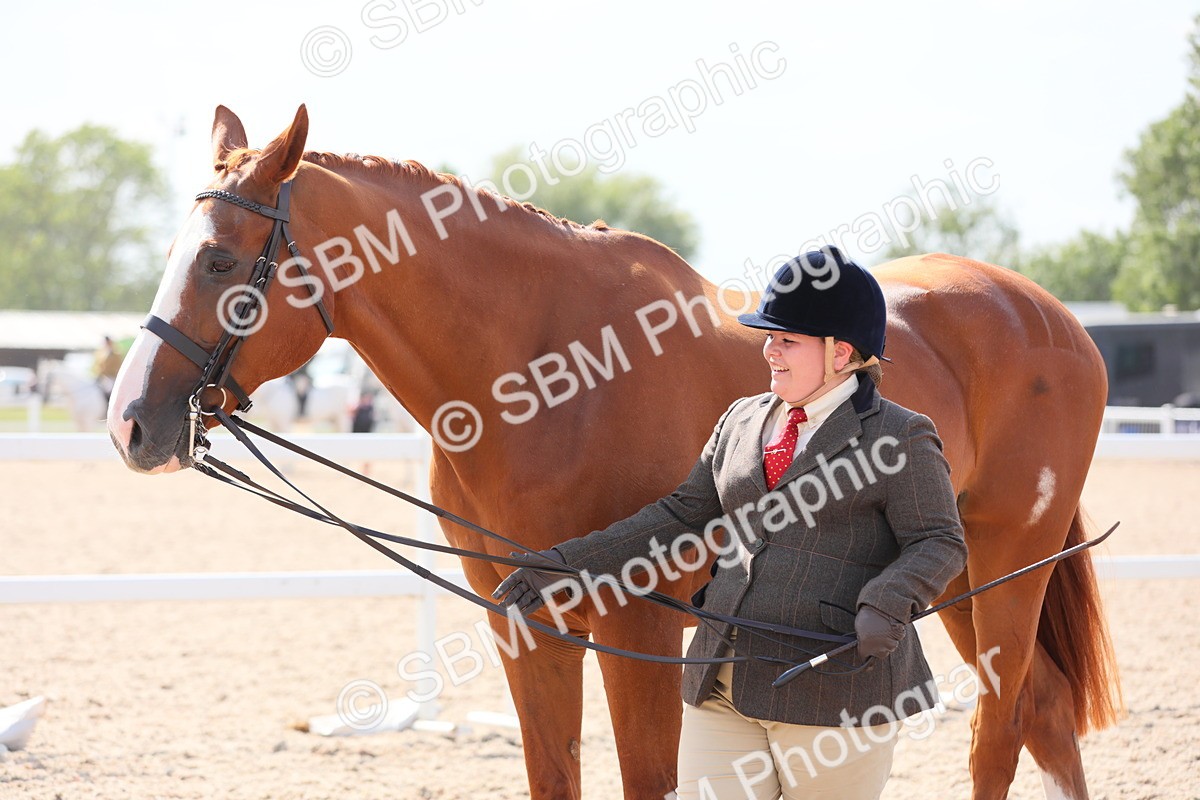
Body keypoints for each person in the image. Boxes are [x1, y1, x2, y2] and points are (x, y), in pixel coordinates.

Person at [494, 246, 968, 799]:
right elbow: (678, 517)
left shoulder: (899, 436)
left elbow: (939, 540)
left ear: (841, 353)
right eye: (769, 337)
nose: (769, 351)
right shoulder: (742, 419)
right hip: (722, 681)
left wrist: (889, 598)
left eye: (787, 340)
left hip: (832, 689)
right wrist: (566, 566)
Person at [92, 336, 123, 405]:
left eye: (108, 342)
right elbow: (96, 365)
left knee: (110, 389)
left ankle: (109, 405)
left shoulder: (116, 354)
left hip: (111, 376)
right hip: (100, 376)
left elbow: (118, 366)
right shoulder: (99, 353)